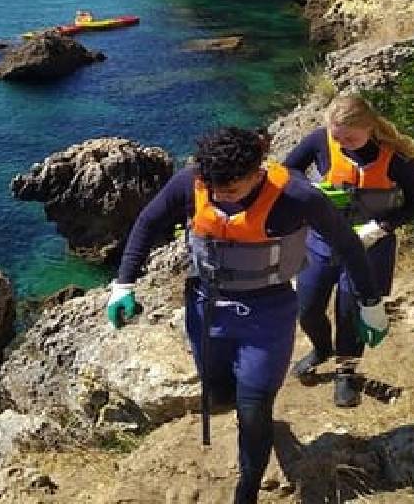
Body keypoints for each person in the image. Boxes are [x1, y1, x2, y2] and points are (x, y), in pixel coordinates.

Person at [105, 126, 388, 504]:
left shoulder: (296, 196)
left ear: (257, 173)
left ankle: (248, 487)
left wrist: (370, 302)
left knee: (254, 409)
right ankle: (248, 415)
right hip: (206, 307)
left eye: (231, 191)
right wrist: (123, 284)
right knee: (217, 390)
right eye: (214, 189)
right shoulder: (191, 182)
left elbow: (347, 244)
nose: (221, 198)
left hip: (267, 315)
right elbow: (148, 222)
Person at [282, 95, 414, 407]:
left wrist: (382, 226)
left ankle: (346, 374)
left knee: (350, 314)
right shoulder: (321, 141)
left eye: (351, 137)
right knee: (307, 308)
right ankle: (322, 348)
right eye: (337, 137)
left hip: (368, 247)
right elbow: (289, 169)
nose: (344, 144)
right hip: (321, 242)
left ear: (370, 127)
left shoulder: (398, 159)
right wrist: (310, 190)